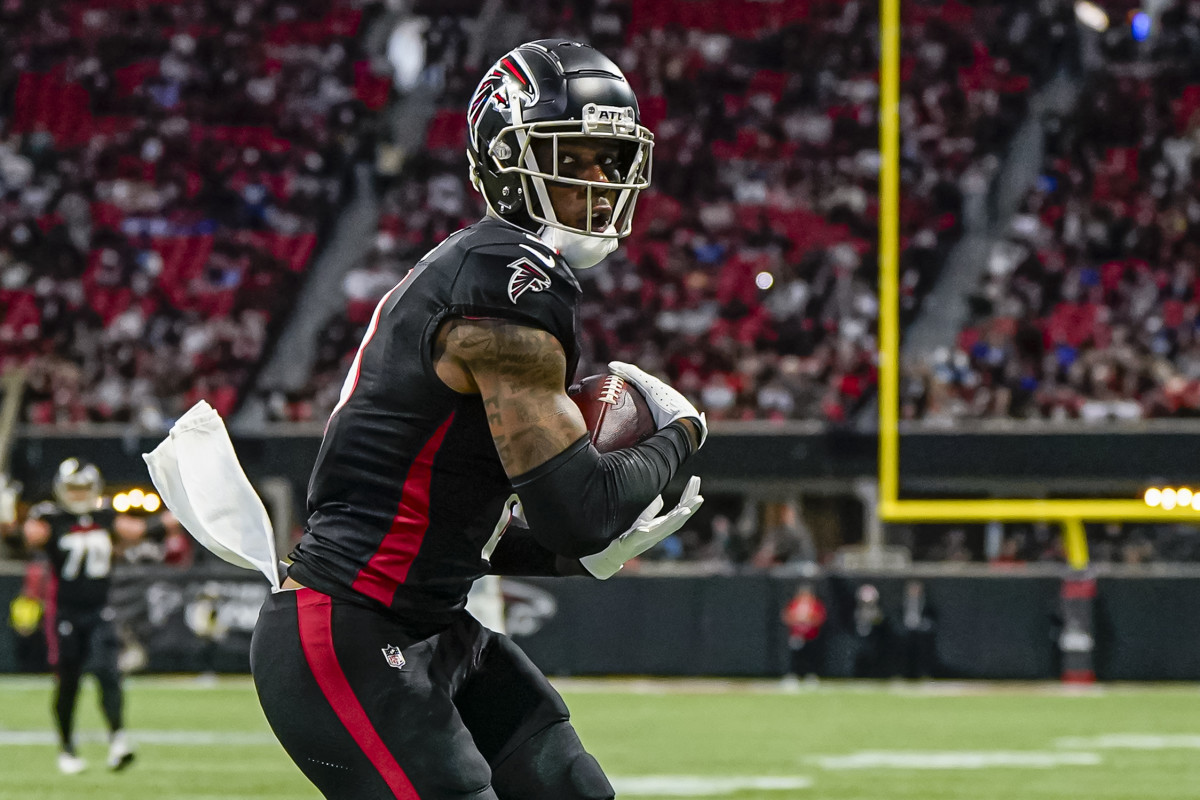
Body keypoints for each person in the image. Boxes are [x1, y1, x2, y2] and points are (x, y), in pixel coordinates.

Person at [249, 40, 706, 800]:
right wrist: (679, 434)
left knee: (572, 787)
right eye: (578, 154)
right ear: (506, 158)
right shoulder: (503, 284)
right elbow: (580, 511)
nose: (600, 178)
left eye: (610, 158)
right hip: (352, 631)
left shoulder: (493, 272)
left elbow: (452, 522)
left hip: (427, 623)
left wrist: (569, 561)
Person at [22, 458, 175, 775]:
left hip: (100, 609)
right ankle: (66, 748)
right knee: (69, 682)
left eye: (83, 488)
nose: (78, 495)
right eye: (72, 489)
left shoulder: (107, 516)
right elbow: (26, 536)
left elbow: (143, 530)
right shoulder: (50, 517)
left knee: (108, 672)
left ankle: (118, 740)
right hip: (65, 611)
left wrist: (180, 514)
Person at [780, 583, 826, 685]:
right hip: (797, 636)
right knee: (795, 657)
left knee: (811, 657)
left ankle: (811, 676)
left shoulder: (815, 605)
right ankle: (793, 676)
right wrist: (798, 620)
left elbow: (820, 618)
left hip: (811, 635)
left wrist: (807, 620)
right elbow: (787, 616)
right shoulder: (794, 604)